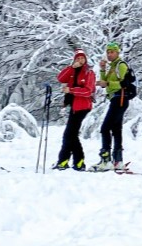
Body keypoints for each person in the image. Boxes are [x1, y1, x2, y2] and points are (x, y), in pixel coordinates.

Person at [94, 42, 136, 172]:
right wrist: (102, 70)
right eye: (108, 52)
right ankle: (118, 161)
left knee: (105, 128)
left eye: (112, 52)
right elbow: (104, 84)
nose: (109, 54)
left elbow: (123, 83)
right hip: (116, 99)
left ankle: (106, 160)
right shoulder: (112, 66)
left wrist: (107, 83)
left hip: (120, 98)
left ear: (117, 53)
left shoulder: (121, 65)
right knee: (116, 129)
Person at [53, 50, 96, 170]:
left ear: (86, 60)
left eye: (82, 58)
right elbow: (61, 78)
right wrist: (71, 68)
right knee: (70, 135)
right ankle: (72, 162)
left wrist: (71, 90)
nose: (80, 60)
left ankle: (72, 161)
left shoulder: (89, 72)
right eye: (78, 58)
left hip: (82, 107)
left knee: (69, 134)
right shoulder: (73, 71)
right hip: (74, 106)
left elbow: (88, 91)